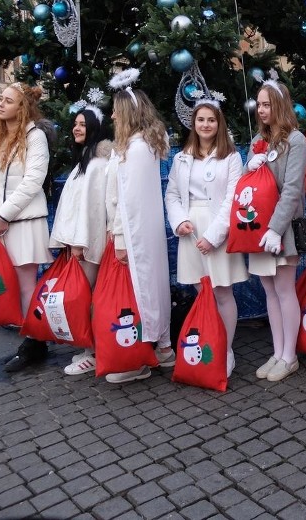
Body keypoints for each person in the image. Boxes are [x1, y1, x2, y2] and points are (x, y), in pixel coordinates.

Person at [165, 99, 248, 378]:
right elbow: (173, 195)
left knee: (222, 291)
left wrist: (214, 236)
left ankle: (226, 350)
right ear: (194, 123)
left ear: (218, 123)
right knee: (203, 291)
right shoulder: (182, 157)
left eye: (211, 120)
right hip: (191, 230)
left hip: (217, 229)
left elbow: (233, 199)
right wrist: (180, 221)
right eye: (201, 119)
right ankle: (209, 340)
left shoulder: (232, 157)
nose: (205, 125)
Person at [0, 82, 53, 372]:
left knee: (26, 285)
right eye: (1, 99)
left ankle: (33, 342)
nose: (1, 104)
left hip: (25, 223)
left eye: (8, 101)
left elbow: (33, 180)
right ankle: (31, 338)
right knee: (6, 283)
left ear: (22, 107)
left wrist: (4, 214)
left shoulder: (35, 137)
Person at [104, 73, 173, 383]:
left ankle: (143, 353)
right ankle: (163, 347)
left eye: (116, 110)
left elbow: (126, 199)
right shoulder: (144, 145)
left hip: (135, 232)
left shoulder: (133, 150)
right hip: (147, 229)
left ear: (127, 113)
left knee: (143, 286)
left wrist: (119, 236)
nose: (112, 115)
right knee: (153, 281)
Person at [246, 81, 306, 382]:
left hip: (281, 230)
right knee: (269, 291)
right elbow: (250, 188)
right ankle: (277, 350)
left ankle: (289, 355)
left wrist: (275, 230)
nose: (261, 109)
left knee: (284, 290)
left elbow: (293, 191)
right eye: (259, 104)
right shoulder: (258, 139)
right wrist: (250, 166)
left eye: (267, 104)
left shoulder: (295, 141)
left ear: (280, 105)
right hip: (258, 229)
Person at [50, 105, 112, 376]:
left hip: (87, 245)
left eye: (83, 124)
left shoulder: (97, 165)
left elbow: (93, 211)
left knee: (87, 298)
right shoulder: (85, 161)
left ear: (94, 129)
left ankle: (95, 354)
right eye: (75, 123)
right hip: (78, 243)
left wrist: (80, 243)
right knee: (83, 298)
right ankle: (91, 349)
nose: (76, 128)